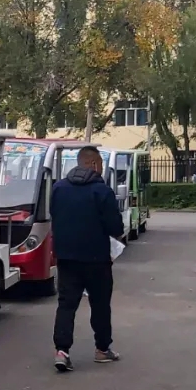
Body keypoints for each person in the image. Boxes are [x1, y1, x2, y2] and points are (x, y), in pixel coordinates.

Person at [50, 146, 124, 372]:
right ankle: (102, 349)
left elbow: (54, 216)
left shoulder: (58, 188)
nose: (101, 169)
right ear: (93, 164)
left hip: (66, 259)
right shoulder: (102, 191)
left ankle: (62, 352)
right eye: (100, 164)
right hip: (97, 259)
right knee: (100, 305)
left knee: (66, 305)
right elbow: (116, 227)